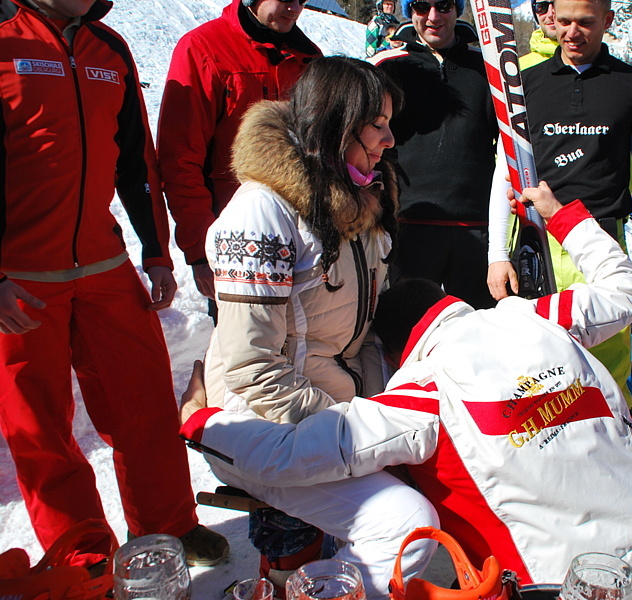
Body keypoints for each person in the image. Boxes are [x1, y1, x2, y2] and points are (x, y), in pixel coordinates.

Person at [180, 185, 632, 594]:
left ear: (396, 351)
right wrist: (561, 214)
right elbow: (626, 289)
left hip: (565, 581)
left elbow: (291, 454)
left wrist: (203, 421)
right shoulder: (539, 319)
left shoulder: (423, 394)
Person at [0, 0, 227, 568]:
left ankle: (170, 527)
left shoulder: (110, 48)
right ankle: (84, 559)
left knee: (145, 403)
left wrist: (155, 252)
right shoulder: (5, 37)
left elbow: (135, 162)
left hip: (104, 264)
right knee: (41, 432)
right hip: (21, 275)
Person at [202, 56, 414, 590]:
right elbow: (253, 368)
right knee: (405, 520)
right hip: (269, 422)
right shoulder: (262, 214)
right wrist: (350, 428)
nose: (390, 140)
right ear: (335, 122)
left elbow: (356, 328)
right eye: (378, 125)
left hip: (335, 408)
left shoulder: (358, 194)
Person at [487, 0, 632, 447]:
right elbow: (502, 171)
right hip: (534, 241)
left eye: (586, 22)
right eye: (565, 21)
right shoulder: (524, 85)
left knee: (606, 365)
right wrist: (497, 254)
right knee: (534, 365)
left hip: (602, 242)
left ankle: (614, 458)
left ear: (607, 20)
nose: (573, 32)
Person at [157, 0, 321, 315]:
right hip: (234, 240)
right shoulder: (203, 48)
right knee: (244, 349)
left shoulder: (308, 57)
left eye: (302, 0)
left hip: (299, 239)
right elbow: (179, 159)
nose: (295, 8)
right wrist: (201, 252)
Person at [370, 0, 498, 309]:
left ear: (458, 9)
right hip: (407, 226)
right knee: (406, 332)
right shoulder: (388, 66)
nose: (432, 16)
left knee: (475, 334)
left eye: (443, 6)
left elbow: (510, 147)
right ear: (408, 10)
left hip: (475, 228)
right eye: (420, 6)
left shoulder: (488, 68)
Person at [519, 0, 558, 69]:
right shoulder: (520, 67)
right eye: (542, 7)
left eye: (558, 6)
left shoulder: (582, 60)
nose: (550, 14)